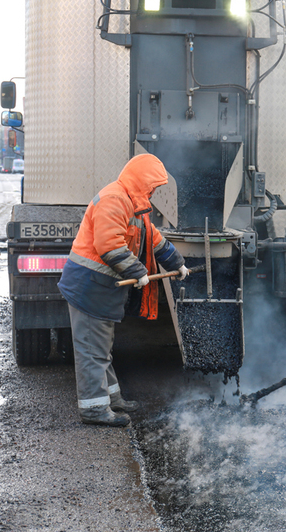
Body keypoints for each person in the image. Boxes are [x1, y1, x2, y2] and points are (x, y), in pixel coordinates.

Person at [58, 153, 188, 427]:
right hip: (88, 287)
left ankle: (112, 400)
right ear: (141, 181)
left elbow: (154, 240)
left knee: (101, 348)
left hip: (98, 287)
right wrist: (138, 272)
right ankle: (94, 409)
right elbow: (109, 245)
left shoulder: (135, 206)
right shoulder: (115, 199)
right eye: (153, 185)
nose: (154, 191)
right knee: (92, 350)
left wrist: (178, 263)